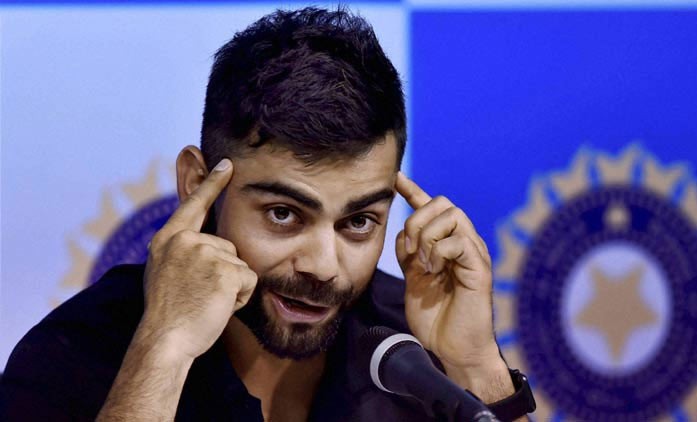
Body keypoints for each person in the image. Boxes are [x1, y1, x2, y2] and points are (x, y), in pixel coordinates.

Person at [0, 7, 534, 421]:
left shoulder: (414, 351)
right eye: (283, 214)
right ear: (197, 185)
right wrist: (163, 352)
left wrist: (475, 366)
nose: (324, 266)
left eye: (358, 222)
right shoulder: (77, 351)